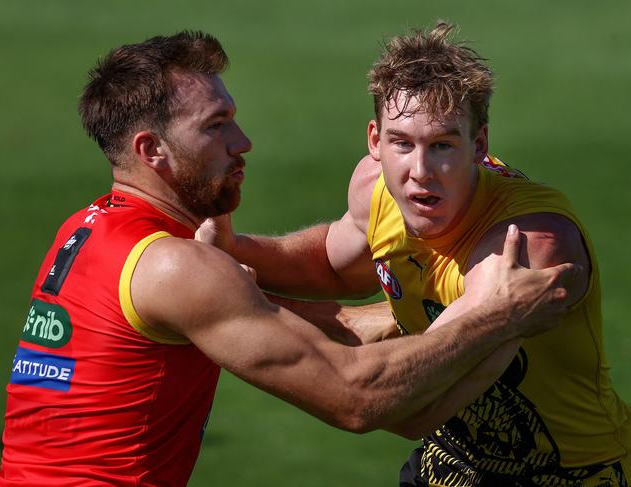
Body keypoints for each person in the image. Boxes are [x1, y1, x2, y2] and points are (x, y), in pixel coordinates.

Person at [0, 31, 577, 486]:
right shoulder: (175, 269)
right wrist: (499, 315)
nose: (242, 141)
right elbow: (360, 399)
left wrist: (411, 308)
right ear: (153, 151)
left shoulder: (90, 229)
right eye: (216, 127)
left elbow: (323, 306)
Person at [202, 23, 630, 485]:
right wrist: (230, 252)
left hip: (569, 474)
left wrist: (232, 304)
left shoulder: (524, 247)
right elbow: (332, 263)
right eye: (401, 143)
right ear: (375, 140)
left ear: (479, 146)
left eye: (443, 145)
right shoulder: (375, 185)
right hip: (451, 459)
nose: (419, 172)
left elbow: (411, 403)